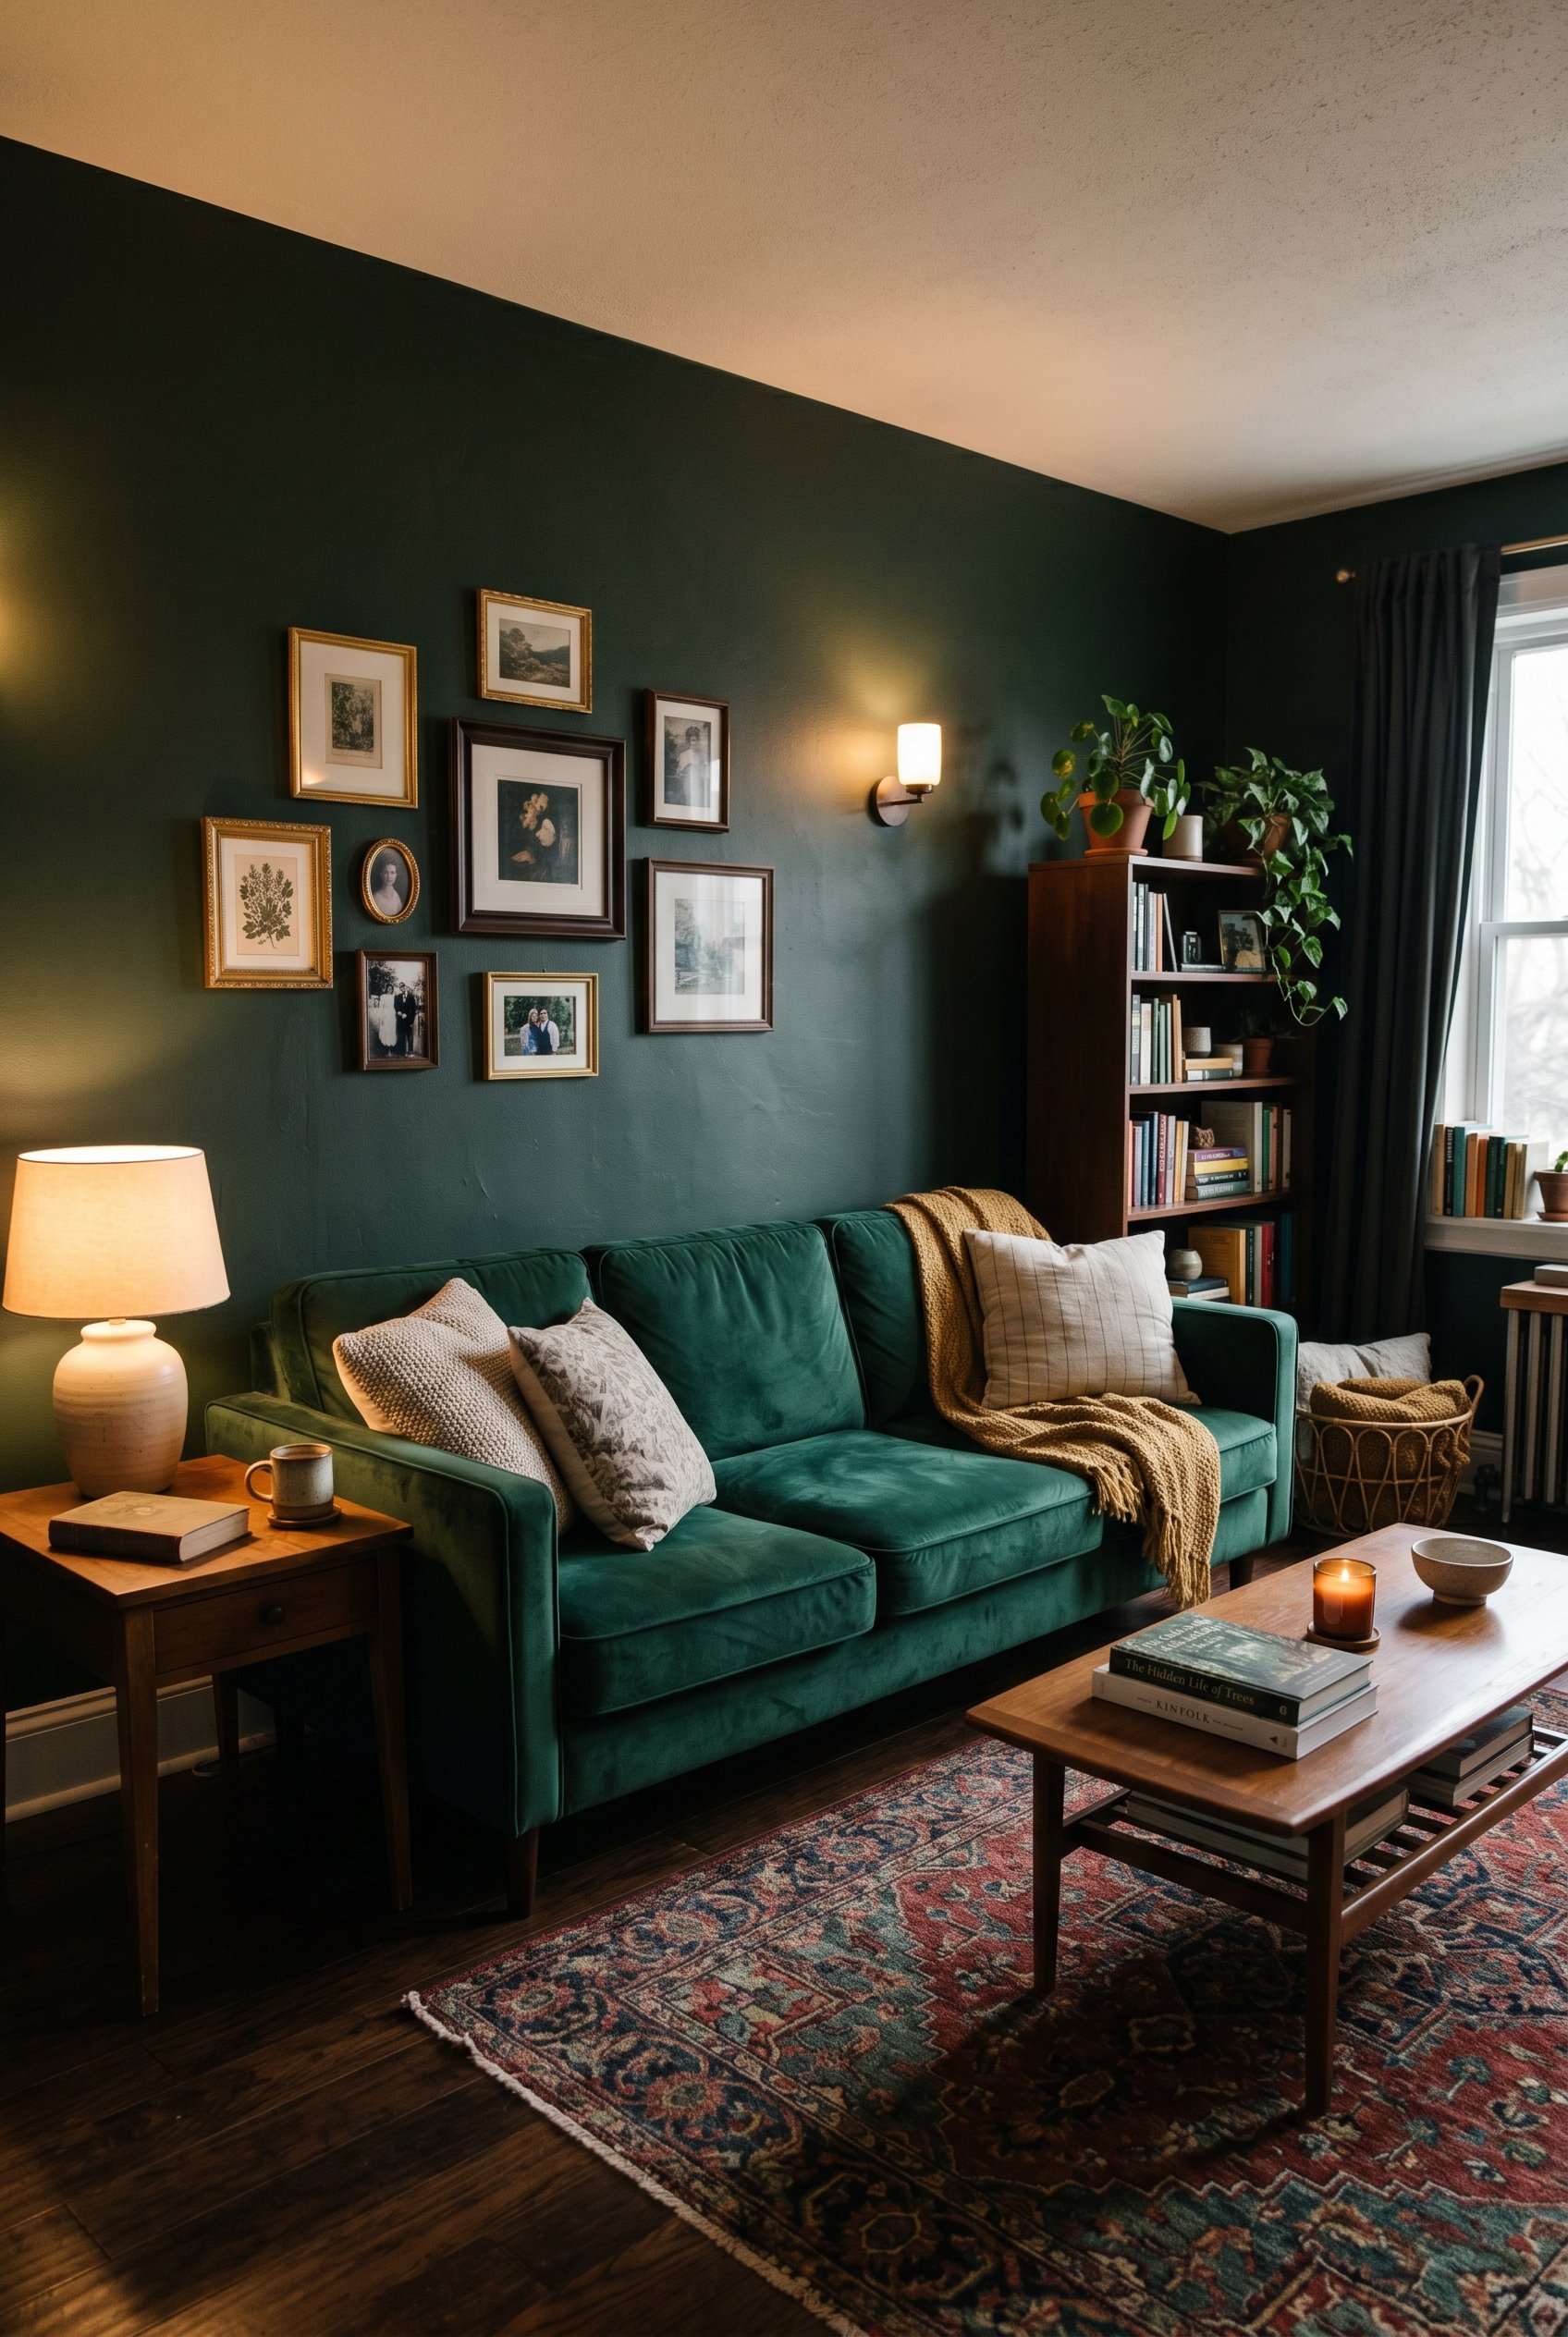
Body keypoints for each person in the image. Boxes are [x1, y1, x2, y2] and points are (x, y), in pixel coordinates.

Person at [370, 851, 406, 918]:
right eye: (386, 872)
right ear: (381, 875)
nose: (389, 876)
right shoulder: (376, 898)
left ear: (396, 875)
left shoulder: (396, 896)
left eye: (392, 873)